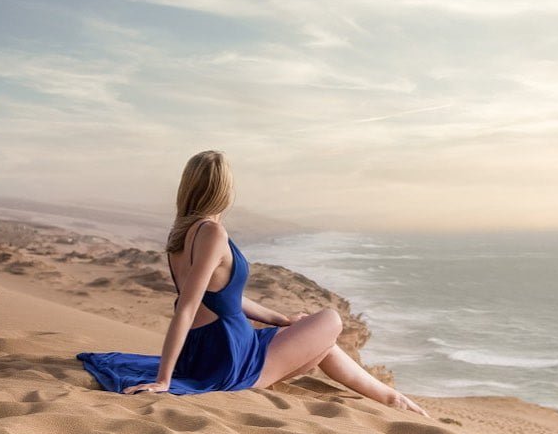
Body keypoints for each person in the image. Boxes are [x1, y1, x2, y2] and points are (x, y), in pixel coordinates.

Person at [76, 149, 430, 417]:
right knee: (331, 321)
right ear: (223, 189)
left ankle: (392, 399)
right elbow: (185, 308)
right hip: (229, 356)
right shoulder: (212, 232)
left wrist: (281, 319)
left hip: (208, 350)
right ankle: (393, 400)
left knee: (318, 341)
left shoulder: (180, 235)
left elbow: (223, 299)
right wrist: (164, 380)